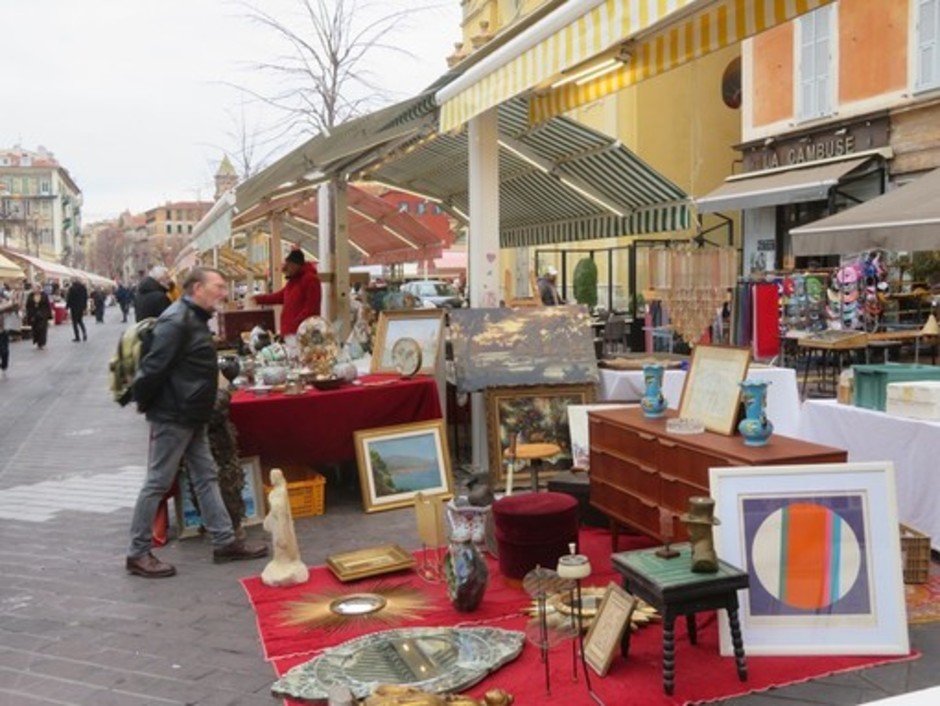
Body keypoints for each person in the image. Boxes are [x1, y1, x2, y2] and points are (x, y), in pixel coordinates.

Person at [125, 267, 268, 578]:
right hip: (175, 414)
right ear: (197, 288)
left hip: (191, 414)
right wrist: (148, 404)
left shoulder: (192, 318)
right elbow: (152, 369)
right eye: (218, 286)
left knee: (206, 476)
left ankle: (224, 541)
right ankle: (137, 552)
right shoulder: (177, 321)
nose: (224, 292)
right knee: (158, 483)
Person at [253, 249, 321, 336]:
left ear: (295, 265)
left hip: (302, 334)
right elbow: (279, 296)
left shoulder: (310, 280)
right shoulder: (293, 281)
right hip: (290, 332)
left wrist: (293, 325)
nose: (285, 268)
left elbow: (311, 310)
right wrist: (257, 299)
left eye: (288, 265)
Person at [0, 289, 17, 379]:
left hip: (3, 330)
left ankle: (4, 365)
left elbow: (14, 307)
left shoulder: (5, 304)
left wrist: (13, 300)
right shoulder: (6, 304)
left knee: (4, 351)